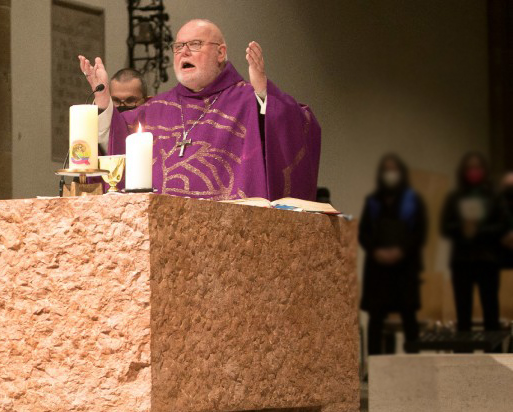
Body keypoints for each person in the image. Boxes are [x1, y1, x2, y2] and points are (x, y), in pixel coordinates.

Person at [78, 18, 320, 200]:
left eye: (194, 44)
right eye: (179, 46)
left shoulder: (249, 98)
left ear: (220, 53)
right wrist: (103, 97)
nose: (184, 51)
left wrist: (265, 92)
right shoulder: (158, 107)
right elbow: (117, 136)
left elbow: (300, 126)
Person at [359, 154, 428, 355]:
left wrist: (401, 251)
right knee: (376, 318)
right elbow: (364, 232)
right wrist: (376, 252)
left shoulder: (413, 200)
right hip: (378, 270)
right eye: (387, 170)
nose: (390, 175)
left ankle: (414, 366)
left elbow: (420, 232)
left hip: (405, 269)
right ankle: (374, 370)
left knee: (409, 317)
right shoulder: (372, 201)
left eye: (394, 170)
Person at [440, 153, 506, 333]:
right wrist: (463, 229)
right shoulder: (455, 197)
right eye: (470, 168)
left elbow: (502, 226)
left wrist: (478, 230)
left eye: (477, 167)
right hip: (462, 261)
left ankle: (494, 357)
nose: (473, 172)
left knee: (491, 311)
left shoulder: (493, 197)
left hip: (488, 260)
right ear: (463, 171)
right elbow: (445, 227)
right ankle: (463, 357)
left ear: (484, 171)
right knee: (463, 312)